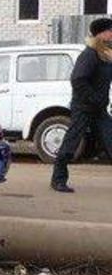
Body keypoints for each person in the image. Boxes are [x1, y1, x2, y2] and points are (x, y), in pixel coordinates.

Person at [50, 17, 112, 193]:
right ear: (101, 33)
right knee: (71, 144)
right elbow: (77, 79)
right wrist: (93, 98)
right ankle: (58, 180)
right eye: (110, 30)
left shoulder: (105, 54)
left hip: (98, 110)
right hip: (83, 108)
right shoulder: (90, 54)